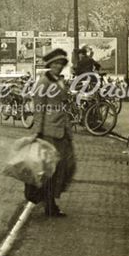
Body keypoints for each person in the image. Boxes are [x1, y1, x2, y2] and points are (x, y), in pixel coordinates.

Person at [25, 48, 76, 217]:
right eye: (55, 64)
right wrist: (37, 132)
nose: (58, 67)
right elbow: (38, 108)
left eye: (61, 64)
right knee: (50, 170)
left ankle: (50, 201)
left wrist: (68, 130)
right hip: (48, 132)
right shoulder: (43, 82)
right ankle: (49, 204)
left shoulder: (59, 81)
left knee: (65, 167)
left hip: (61, 130)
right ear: (49, 65)